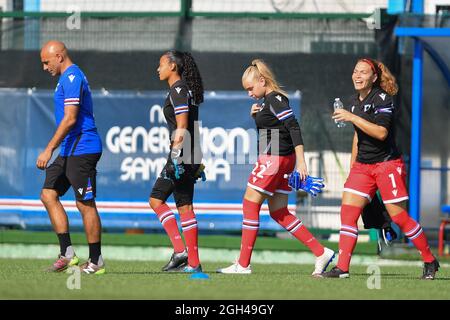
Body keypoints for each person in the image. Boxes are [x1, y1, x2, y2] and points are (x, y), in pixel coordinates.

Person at [322, 58, 439, 279]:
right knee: (347, 214)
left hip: (387, 165)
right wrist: (353, 168)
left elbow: (381, 133)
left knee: (400, 218)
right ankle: (342, 268)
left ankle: (429, 260)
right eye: (355, 71)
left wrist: (351, 116)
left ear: (374, 77)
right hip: (362, 168)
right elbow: (358, 136)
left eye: (363, 72)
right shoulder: (354, 102)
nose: (357, 76)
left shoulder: (383, 98)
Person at [217, 59, 334, 275]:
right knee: (279, 212)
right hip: (280, 158)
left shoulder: (275, 99)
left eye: (251, 88)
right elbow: (273, 131)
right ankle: (321, 252)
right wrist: (257, 117)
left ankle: (243, 264)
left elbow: (294, 127)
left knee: (249, 204)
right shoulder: (268, 101)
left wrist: (302, 162)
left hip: (276, 158)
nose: (249, 93)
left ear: (262, 80)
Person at [37, 40, 104, 274]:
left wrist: (48, 149)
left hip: (83, 147)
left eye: (46, 62)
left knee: (84, 203)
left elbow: (70, 118)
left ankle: (96, 261)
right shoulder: (64, 79)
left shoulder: (72, 77)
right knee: (48, 194)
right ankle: (67, 253)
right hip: (69, 149)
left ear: (59, 56)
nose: (45, 67)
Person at [149, 50, 205, 273]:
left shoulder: (179, 90)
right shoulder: (185, 90)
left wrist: (175, 158)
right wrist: (195, 159)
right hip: (190, 154)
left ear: (173, 66)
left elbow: (182, 126)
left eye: (161, 64)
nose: (158, 68)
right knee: (185, 207)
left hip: (181, 154)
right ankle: (193, 262)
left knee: (156, 200)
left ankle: (181, 251)